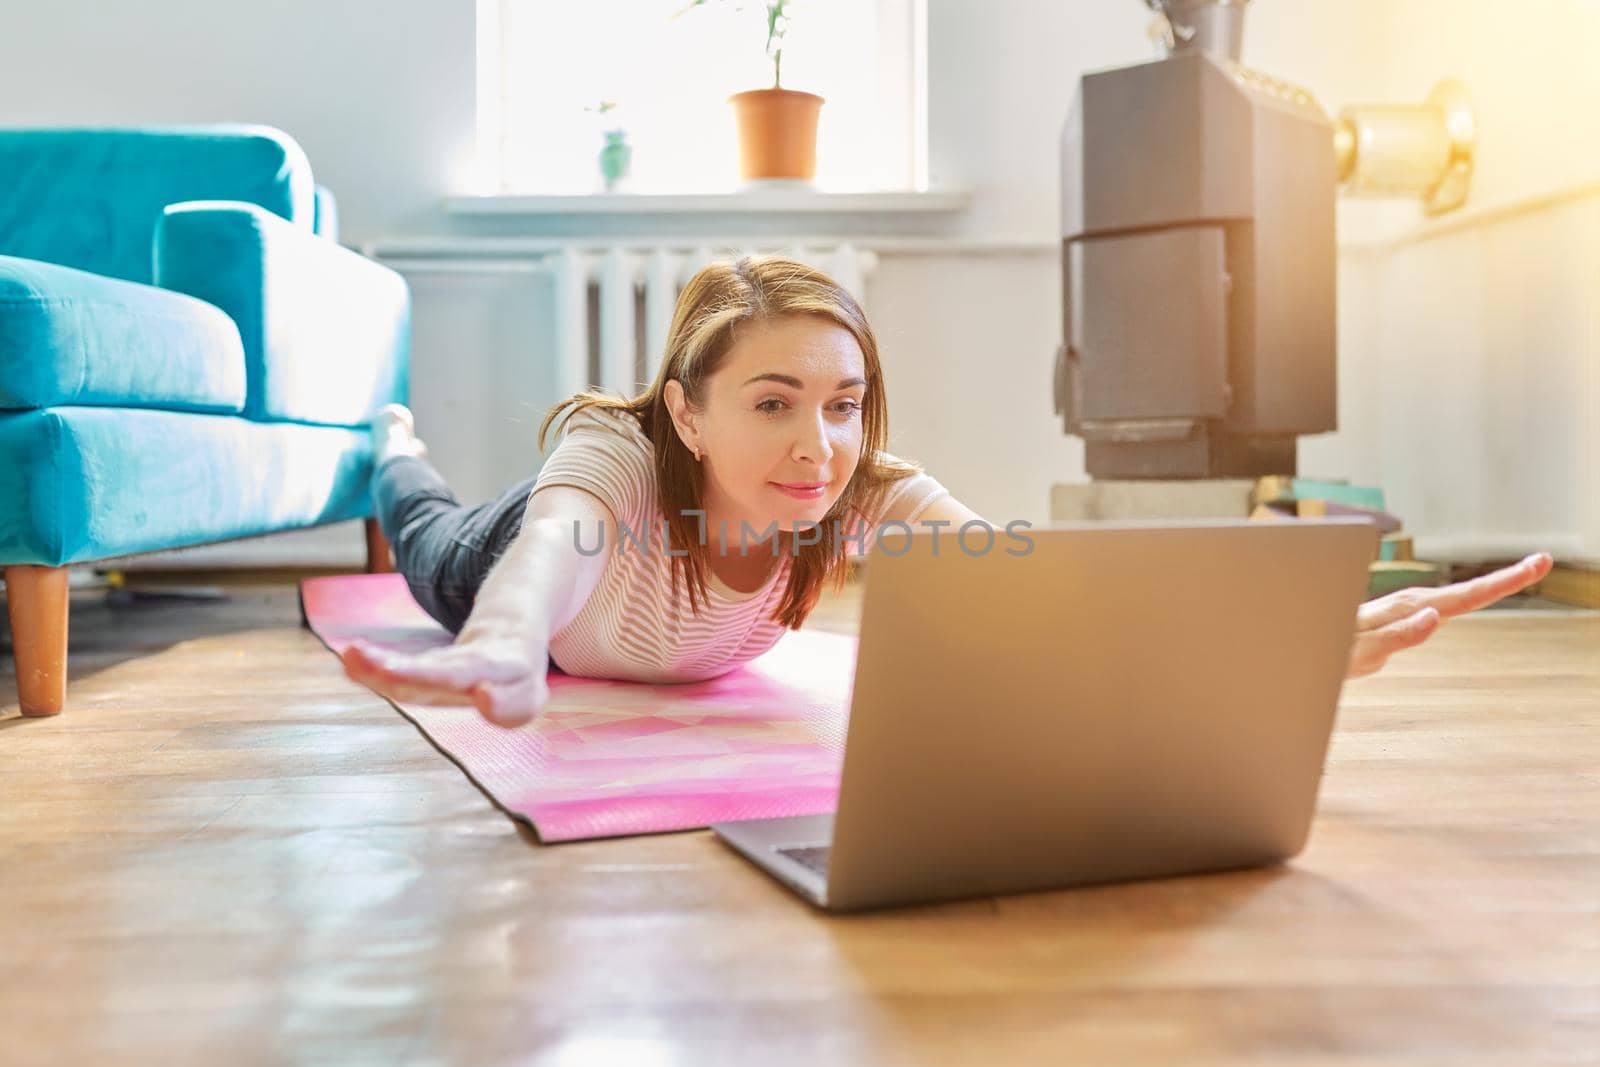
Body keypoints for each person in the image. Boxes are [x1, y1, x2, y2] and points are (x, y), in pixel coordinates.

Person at [341, 255, 1553, 728]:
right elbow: (550, 545)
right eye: (770, 401)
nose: (816, 442)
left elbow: (1039, 597)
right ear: (689, 411)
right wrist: (505, 638)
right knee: (423, 524)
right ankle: (390, 442)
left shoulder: (866, 489)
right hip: (494, 559)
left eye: (843, 398)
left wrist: (1276, 649)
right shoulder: (616, 462)